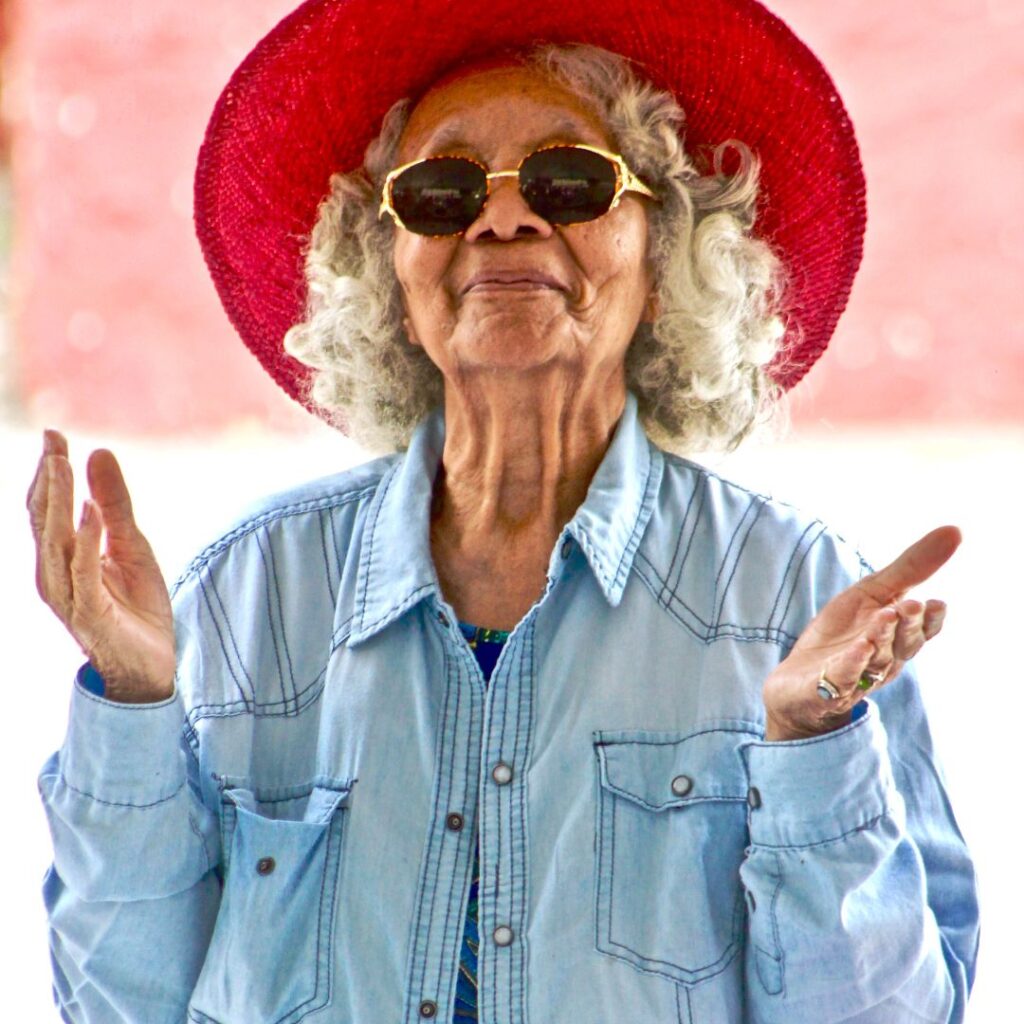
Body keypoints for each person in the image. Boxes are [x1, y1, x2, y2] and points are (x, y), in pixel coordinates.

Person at [29, 1, 979, 1021]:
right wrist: (130, 709)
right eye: (439, 194)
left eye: (566, 182)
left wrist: (808, 748)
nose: (503, 218)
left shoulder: (799, 599)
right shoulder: (245, 596)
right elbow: (119, 1003)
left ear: (664, 256)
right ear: (389, 271)